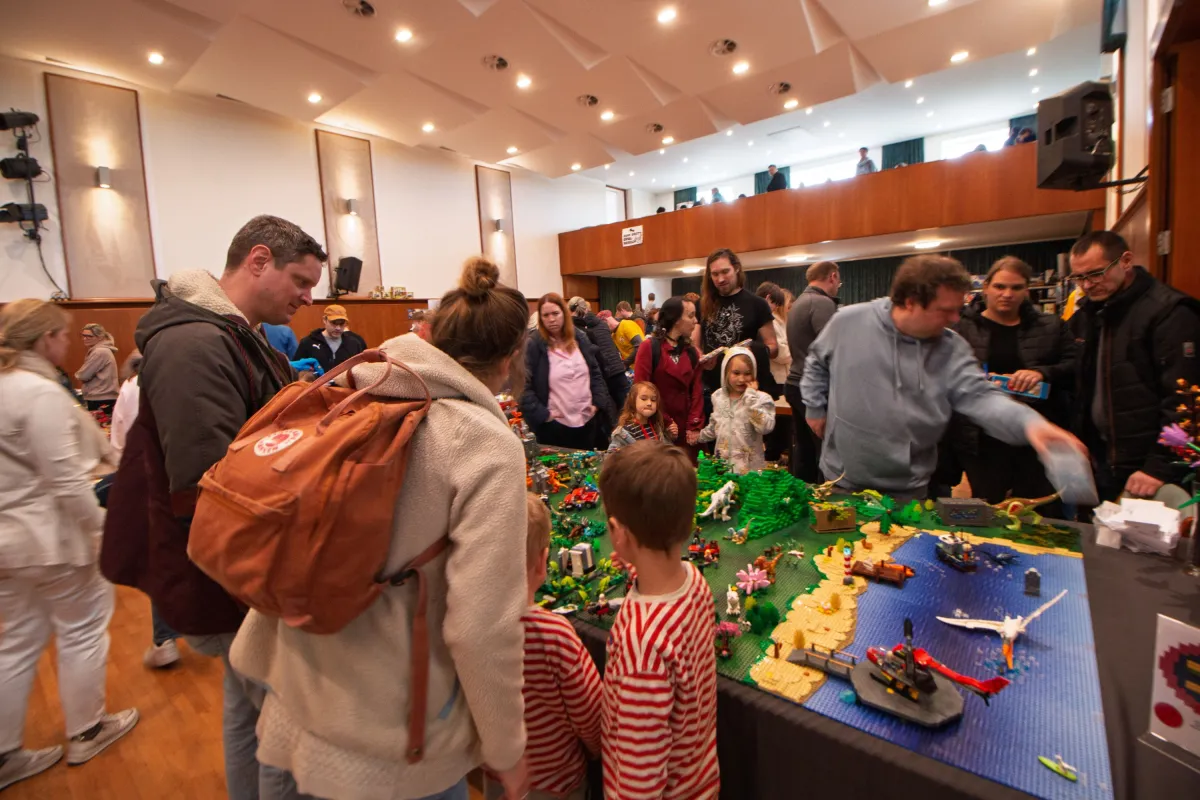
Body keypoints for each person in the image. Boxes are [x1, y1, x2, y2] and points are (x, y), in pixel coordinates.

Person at [233, 256, 531, 800]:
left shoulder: (350, 390)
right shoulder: (485, 446)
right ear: (512, 358)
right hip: (389, 732)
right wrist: (506, 749)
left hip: (294, 677)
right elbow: (481, 628)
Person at [100, 215, 325, 800]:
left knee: (246, 708)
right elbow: (208, 487)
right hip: (227, 566)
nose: (308, 298)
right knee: (285, 726)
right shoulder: (196, 342)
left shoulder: (228, 333)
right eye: (301, 281)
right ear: (257, 261)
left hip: (229, 565)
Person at [801, 254, 1085, 502]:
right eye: (945, 310)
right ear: (911, 302)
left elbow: (981, 398)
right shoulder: (847, 322)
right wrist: (815, 408)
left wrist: (1032, 425)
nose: (954, 319)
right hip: (841, 479)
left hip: (907, 488)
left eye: (957, 309)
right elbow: (816, 362)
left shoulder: (952, 347)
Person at [0, 300, 138, 792]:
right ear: (44, 340)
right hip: (51, 537)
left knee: (16, 641)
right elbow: (64, 480)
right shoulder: (39, 394)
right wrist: (102, 528)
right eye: (63, 335)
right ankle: (87, 729)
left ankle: (4, 754)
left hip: (9, 542)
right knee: (82, 629)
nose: (69, 343)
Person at [597, 442, 718, 800]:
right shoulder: (694, 581)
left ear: (619, 534)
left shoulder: (642, 645)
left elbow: (640, 776)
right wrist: (637, 562)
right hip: (700, 778)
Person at [1067, 230, 1200, 500]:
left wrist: (1159, 467)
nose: (1088, 285)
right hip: (1101, 458)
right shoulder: (1087, 315)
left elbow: (1186, 401)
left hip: (1147, 467)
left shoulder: (1170, 313)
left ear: (1126, 261)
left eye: (1096, 273)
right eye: (1079, 278)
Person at [485, 495, 601, 800]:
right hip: (560, 783)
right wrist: (593, 751)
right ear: (542, 561)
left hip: (497, 777)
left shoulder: (469, 629)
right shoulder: (554, 634)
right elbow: (591, 717)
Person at [949, 257, 1076, 518]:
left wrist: (1041, 373)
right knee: (987, 511)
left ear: (1027, 291)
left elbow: (1074, 366)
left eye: (1016, 288)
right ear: (985, 288)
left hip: (1034, 439)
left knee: (1037, 511)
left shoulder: (1051, 327)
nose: (1007, 294)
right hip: (981, 440)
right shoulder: (962, 328)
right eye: (999, 287)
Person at [521, 293, 609, 450]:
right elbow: (522, 386)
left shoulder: (580, 338)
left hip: (587, 421)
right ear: (540, 319)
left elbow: (595, 373)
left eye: (555, 313)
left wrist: (597, 403)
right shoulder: (534, 344)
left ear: (564, 313)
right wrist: (543, 415)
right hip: (555, 428)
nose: (551, 319)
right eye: (546, 315)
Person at [698, 249, 778, 405]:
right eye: (715, 274)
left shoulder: (758, 304)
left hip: (744, 391)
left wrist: (753, 350)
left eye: (725, 271)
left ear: (736, 268)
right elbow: (695, 346)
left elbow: (773, 348)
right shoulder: (701, 304)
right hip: (711, 391)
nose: (720, 279)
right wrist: (701, 358)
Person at [786, 261, 841, 481]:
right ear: (833, 277)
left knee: (805, 453)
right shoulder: (822, 303)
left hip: (794, 384)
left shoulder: (799, 302)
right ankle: (825, 507)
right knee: (826, 455)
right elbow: (831, 349)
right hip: (813, 388)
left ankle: (804, 503)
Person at [634, 296, 704, 460]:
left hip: (687, 430)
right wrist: (665, 421)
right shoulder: (650, 347)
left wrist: (694, 424)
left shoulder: (690, 351)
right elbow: (640, 389)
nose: (695, 321)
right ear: (676, 319)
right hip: (657, 427)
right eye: (690, 315)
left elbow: (696, 390)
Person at [696, 347, 776, 474]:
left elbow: (764, 427)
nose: (741, 379)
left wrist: (751, 400)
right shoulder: (718, 397)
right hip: (723, 468)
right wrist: (699, 436)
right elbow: (715, 425)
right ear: (726, 372)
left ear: (754, 374)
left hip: (750, 471)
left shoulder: (762, 399)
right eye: (736, 373)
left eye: (747, 373)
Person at [570, 296, 630, 411]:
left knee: (612, 410)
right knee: (627, 408)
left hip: (603, 374)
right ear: (588, 310)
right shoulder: (602, 324)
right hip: (617, 369)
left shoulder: (578, 331)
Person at [292, 304, 367, 373]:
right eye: (334, 323)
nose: (338, 328)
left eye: (341, 324)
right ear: (324, 320)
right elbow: (296, 370)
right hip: (317, 386)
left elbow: (362, 370)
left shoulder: (354, 344)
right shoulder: (308, 343)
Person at [608, 381, 675, 450]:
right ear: (633, 401)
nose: (649, 403)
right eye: (644, 399)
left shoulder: (657, 426)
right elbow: (612, 457)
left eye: (653, 400)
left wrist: (670, 435)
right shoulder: (625, 432)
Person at [76, 323, 119, 414]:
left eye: (89, 336)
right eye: (83, 336)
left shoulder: (100, 352)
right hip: (103, 396)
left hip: (100, 397)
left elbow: (84, 375)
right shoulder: (101, 350)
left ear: (99, 337)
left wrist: (78, 374)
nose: (85, 339)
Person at [755, 282, 792, 388]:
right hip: (774, 377)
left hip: (779, 376)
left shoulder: (774, 321)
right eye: (775, 303)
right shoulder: (767, 322)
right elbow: (780, 353)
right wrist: (794, 350)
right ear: (768, 298)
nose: (776, 307)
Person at [612, 301, 644, 366]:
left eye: (617, 312)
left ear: (622, 310)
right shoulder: (630, 320)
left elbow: (641, 337)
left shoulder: (638, 320)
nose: (616, 315)